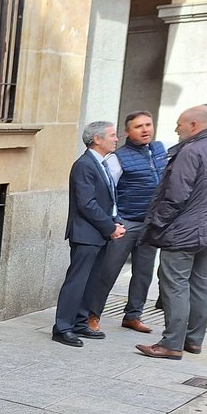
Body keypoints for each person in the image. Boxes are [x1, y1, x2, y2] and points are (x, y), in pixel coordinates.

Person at [135, 103, 207, 359]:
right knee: (200, 282)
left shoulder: (190, 151)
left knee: (175, 285)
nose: (176, 128)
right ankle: (193, 340)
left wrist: (157, 223)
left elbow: (176, 195)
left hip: (183, 232)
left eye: (179, 124)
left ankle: (171, 343)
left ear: (194, 125)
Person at [84, 111, 168, 334]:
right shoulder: (117, 158)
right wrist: (115, 222)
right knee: (108, 271)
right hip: (126, 222)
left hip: (151, 223)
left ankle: (133, 316)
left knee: (143, 272)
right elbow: (108, 191)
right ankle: (92, 315)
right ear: (127, 132)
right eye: (138, 126)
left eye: (148, 124)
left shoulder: (160, 150)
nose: (145, 130)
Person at [51, 121, 125, 347]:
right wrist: (110, 227)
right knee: (77, 280)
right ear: (97, 139)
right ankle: (62, 327)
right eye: (112, 135)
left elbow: (106, 198)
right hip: (86, 234)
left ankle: (80, 322)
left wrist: (115, 221)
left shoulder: (101, 163)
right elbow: (87, 203)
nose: (116, 139)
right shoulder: (84, 165)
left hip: (99, 232)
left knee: (91, 281)